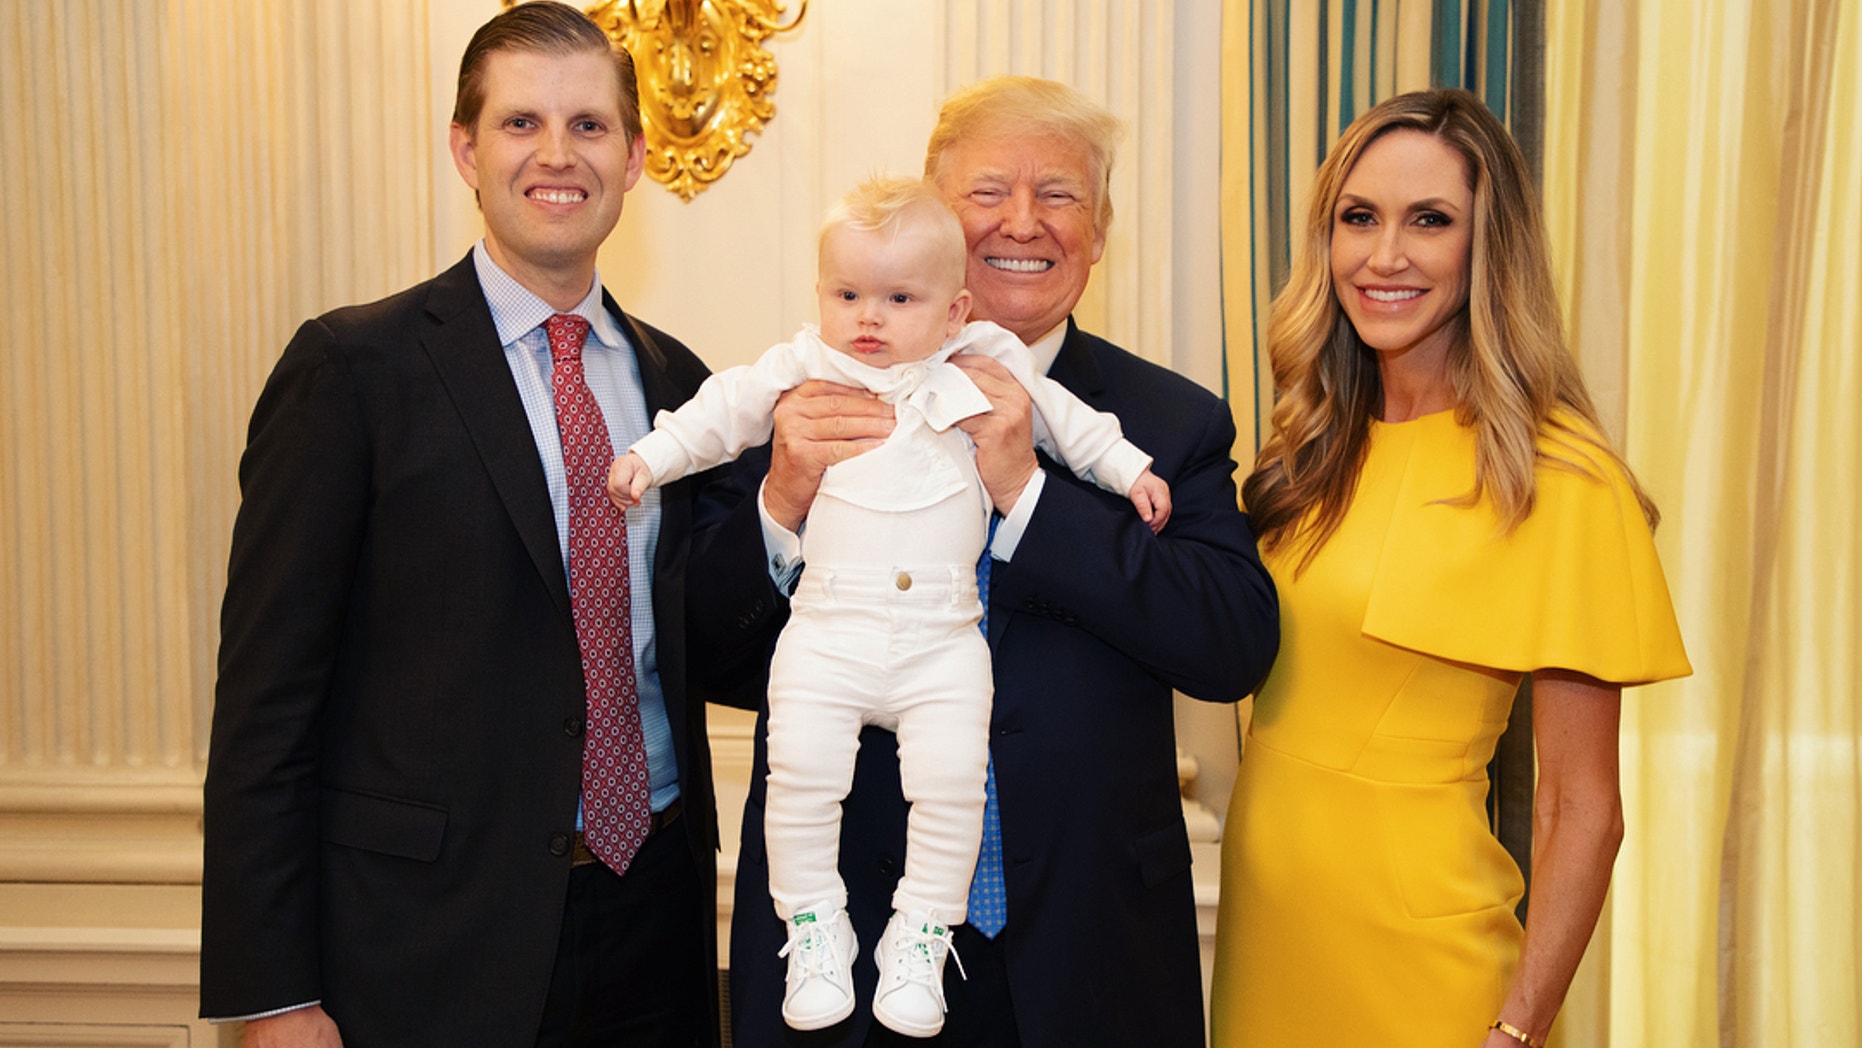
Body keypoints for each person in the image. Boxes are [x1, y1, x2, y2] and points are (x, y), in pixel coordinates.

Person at [688, 76, 1280, 1047]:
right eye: (987, 190)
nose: (1023, 221)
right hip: (855, 961)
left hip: (1093, 963)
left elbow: (1229, 644)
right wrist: (779, 502)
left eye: (1059, 195)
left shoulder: (1167, 423)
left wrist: (1028, 494)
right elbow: (707, 654)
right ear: (930, 216)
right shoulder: (801, 392)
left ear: (1098, 232)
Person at [199, 4, 728, 1045]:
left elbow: (725, 644)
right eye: (520, 122)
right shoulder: (352, 371)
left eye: (588, 125)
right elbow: (267, 702)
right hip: (425, 944)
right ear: (466, 150)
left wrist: (792, 508)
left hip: (653, 922)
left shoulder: (684, 386)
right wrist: (274, 992)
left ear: (632, 157)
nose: (556, 153)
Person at [612, 175, 1171, 1038]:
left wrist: (1131, 469)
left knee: (950, 785)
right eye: (847, 295)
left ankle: (920, 932)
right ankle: (813, 926)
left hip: (945, 637)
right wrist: (651, 456)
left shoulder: (985, 367)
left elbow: (1071, 424)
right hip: (828, 627)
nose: (867, 318)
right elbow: (718, 411)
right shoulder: (807, 367)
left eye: (897, 299)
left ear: (952, 311)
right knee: (799, 776)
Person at [1208, 89, 1691, 1048]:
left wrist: (1517, 1030)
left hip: (1428, 969)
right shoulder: (1305, 450)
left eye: (1430, 221)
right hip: (1266, 942)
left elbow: (1580, 808)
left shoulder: (1556, 476)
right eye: (1360, 219)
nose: (1385, 256)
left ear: (1488, 248)